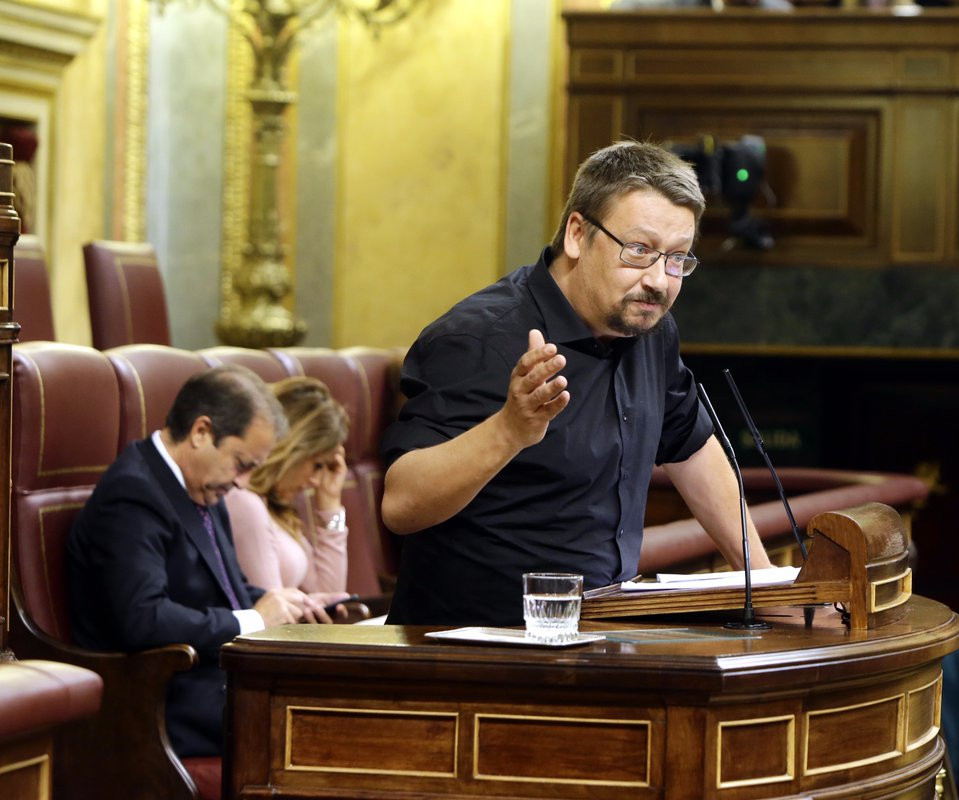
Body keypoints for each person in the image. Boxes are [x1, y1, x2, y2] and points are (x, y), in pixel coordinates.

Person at [380, 140, 772, 627]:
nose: (659, 280)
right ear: (577, 234)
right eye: (639, 250)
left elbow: (691, 448)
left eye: (676, 259)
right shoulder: (478, 338)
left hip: (599, 636)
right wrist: (508, 430)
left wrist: (765, 583)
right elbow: (401, 505)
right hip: (474, 646)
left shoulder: (649, 330)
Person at [66, 365, 334, 759]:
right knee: (329, 722)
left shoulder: (202, 486)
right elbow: (143, 618)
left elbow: (230, 591)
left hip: (214, 683)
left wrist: (292, 606)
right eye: (241, 463)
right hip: (162, 700)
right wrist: (254, 620)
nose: (242, 482)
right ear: (201, 432)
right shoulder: (134, 492)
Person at [226, 376, 352, 601]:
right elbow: (270, 613)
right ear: (293, 449)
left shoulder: (276, 509)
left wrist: (331, 503)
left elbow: (330, 595)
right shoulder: (244, 502)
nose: (316, 481)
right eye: (317, 465)